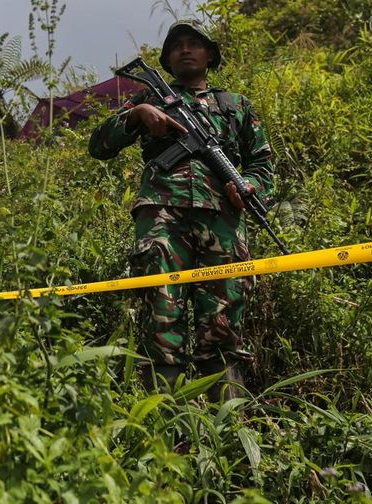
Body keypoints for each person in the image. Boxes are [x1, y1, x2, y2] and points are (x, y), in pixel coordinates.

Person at [89, 19, 275, 401]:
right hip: (162, 216)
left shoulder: (236, 105)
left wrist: (251, 186)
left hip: (222, 220)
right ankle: (164, 434)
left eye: (194, 43)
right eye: (176, 46)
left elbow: (262, 165)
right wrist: (137, 114)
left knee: (223, 324)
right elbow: (99, 145)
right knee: (161, 316)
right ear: (168, 61)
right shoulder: (151, 99)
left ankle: (228, 430)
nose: (185, 49)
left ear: (210, 55)